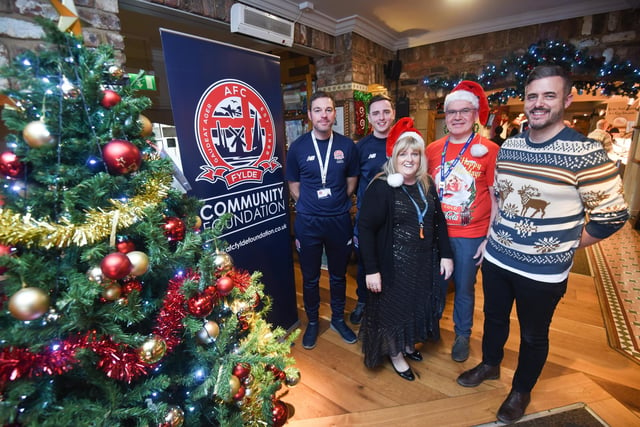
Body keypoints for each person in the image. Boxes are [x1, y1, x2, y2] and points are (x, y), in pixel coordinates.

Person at [457, 65, 629, 424]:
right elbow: (501, 197)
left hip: (543, 272)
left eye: (549, 95)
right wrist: (493, 236)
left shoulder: (587, 154)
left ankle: (521, 389)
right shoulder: (512, 146)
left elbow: (611, 217)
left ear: (566, 99)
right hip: (498, 259)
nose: (538, 104)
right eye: (533, 96)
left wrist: (564, 246)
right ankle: (490, 364)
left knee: (534, 335)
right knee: (493, 319)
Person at [358, 117, 454, 381]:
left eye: (415, 153)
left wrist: (446, 254)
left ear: (421, 157)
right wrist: (372, 270)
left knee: (415, 305)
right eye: (404, 153)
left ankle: (408, 343)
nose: (410, 159)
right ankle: (395, 352)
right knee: (395, 309)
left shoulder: (427, 184)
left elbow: (438, 222)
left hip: (424, 262)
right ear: (394, 156)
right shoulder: (382, 186)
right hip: (394, 265)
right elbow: (365, 229)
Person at [426, 81, 499, 363]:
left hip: (472, 234)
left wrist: (489, 237)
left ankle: (462, 335)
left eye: (464, 111)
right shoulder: (433, 149)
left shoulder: (489, 149)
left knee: (465, 286)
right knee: (436, 285)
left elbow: (497, 198)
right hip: (437, 234)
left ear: (474, 114)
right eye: (452, 111)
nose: (457, 117)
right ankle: (431, 325)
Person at [285, 91, 360, 350]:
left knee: (339, 276)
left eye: (328, 110)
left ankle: (339, 319)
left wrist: (336, 203)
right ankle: (314, 321)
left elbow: (351, 182)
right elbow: (294, 184)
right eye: (318, 110)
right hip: (309, 223)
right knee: (310, 277)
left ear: (334, 114)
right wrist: (310, 205)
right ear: (310, 115)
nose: (324, 115)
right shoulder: (298, 147)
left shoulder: (347, 146)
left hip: (339, 221)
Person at [349, 94, 396, 325]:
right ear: (369, 118)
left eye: (386, 112)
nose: (381, 117)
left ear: (393, 113)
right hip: (367, 221)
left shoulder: (403, 141)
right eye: (376, 113)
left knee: (392, 264)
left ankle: (388, 305)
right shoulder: (361, 147)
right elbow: (354, 182)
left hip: (397, 219)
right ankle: (363, 302)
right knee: (365, 264)